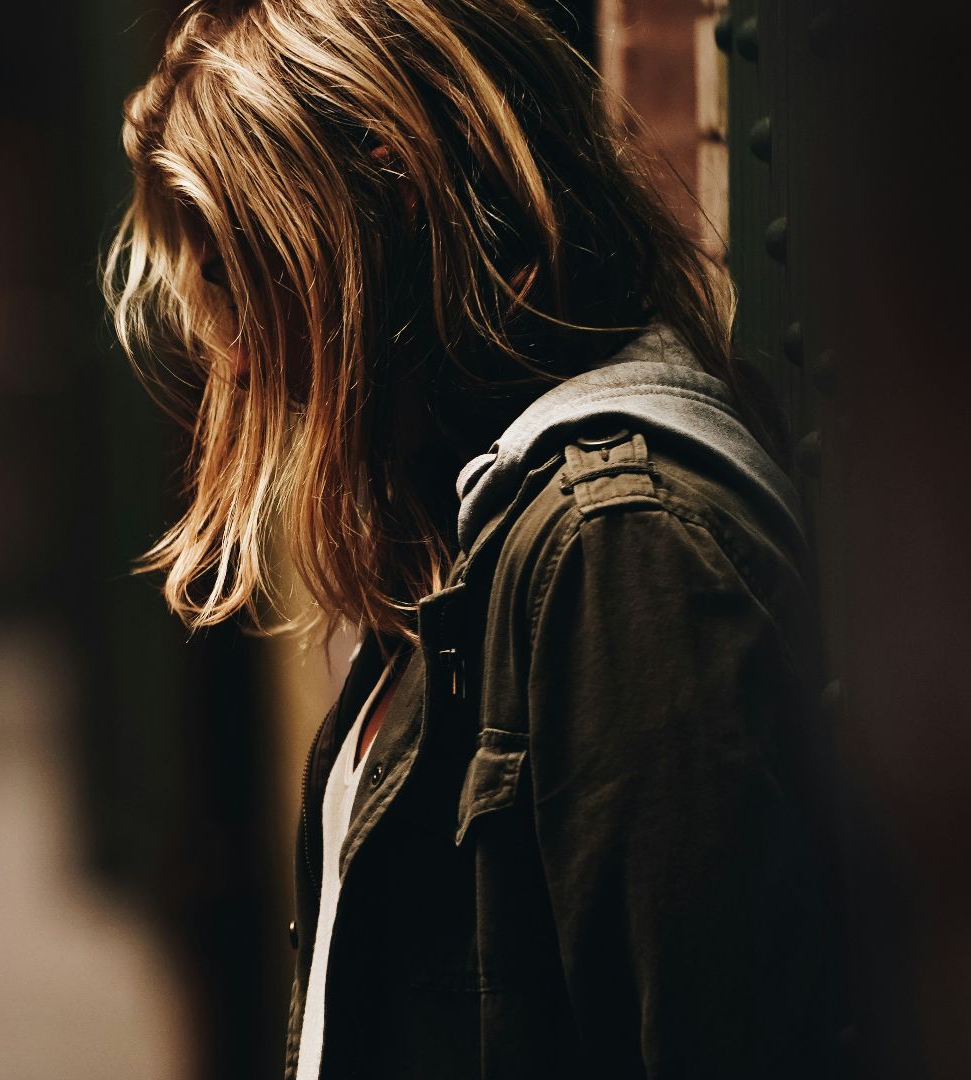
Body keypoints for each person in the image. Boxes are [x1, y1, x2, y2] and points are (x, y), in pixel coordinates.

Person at [102, 1, 852, 1077]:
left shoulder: (621, 548)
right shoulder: (476, 540)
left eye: (238, 266)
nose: (236, 361)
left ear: (388, 186)